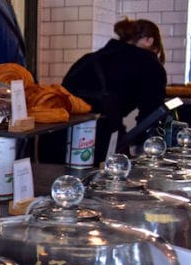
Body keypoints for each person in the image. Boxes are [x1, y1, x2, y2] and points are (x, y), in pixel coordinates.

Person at [61, 18, 167, 159]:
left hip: (61, 137)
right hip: (100, 139)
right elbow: (151, 114)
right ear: (149, 41)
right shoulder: (148, 62)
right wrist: (141, 147)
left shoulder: (90, 58)